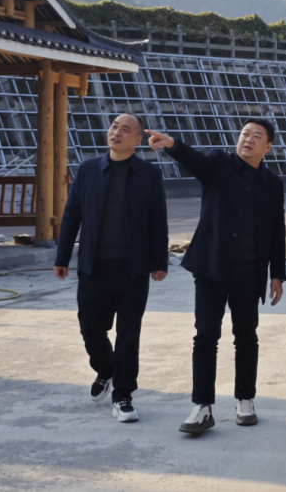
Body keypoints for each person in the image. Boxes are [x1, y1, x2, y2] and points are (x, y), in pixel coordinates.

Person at [147, 119, 286, 434]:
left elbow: (277, 231)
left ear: (268, 147)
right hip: (211, 269)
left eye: (257, 136)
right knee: (206, 336)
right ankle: (202, 406)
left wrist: (277, 274)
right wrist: (173, 145)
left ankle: (245, 399)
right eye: (245, 134)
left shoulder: (273, 184)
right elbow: (195, 161)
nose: (248, 139)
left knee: (246, 337)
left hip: (249, 272)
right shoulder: (219, 163)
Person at [54, 112, 169, 423]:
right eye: (114, 126)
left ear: (138, 139)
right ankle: (106, 369)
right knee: (90, 328)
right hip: (94, 267)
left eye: (126, 129)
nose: (117, 132)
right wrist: (62, 257)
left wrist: (160, 261)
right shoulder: (88, 169)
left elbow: (158, 220)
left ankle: (123, 396)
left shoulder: (148, 174)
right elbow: (72, 215)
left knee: (128, 334)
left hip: (133, 269)